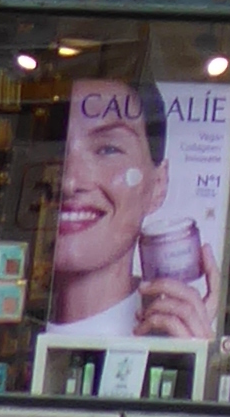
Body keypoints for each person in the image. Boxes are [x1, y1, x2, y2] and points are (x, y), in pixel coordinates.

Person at [42, 80, 215, 343]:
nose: (69, 182)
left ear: (158, 184)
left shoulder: (168, 332)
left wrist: (191, 355)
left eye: (107, 149)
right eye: (56, 147)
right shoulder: (10, 326)